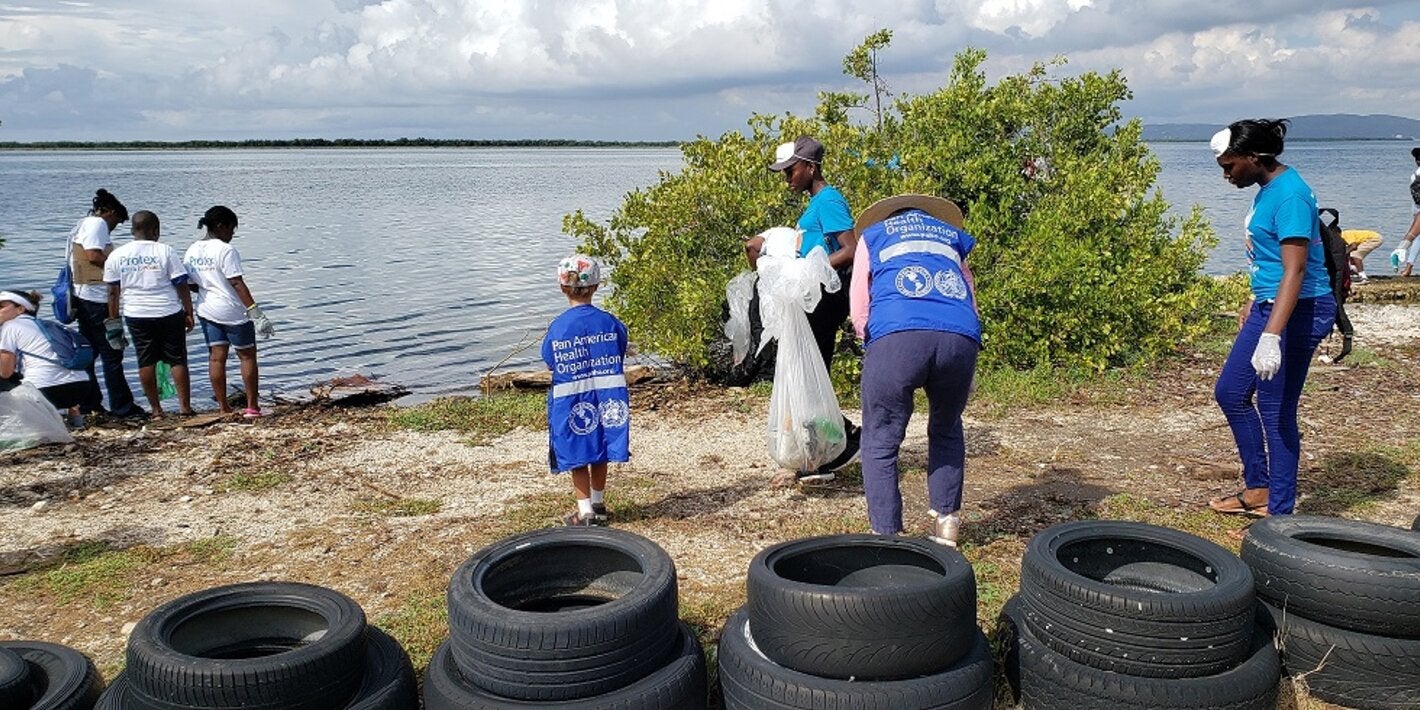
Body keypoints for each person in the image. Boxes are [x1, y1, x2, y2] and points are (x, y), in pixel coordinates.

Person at [1206, 119, 1336, 520]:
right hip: (1270, 305)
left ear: (1252, 157)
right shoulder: (1268, 189)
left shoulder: (1290, 195)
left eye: (1229, 166)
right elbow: (1268, 259)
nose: (1226, 175)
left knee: (1277, 409)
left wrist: (1271, 335)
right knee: (1230, 392)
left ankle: (1280, 516)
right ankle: (1261, 487)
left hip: (1300, 311)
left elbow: (1295, 271)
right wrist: (1254, 297)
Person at [849, 195, 980, 547]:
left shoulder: (874, 235)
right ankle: (947, 525)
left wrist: (870, 338)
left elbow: (860, 298)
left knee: (880, 436)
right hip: (959, 335)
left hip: (897, 333)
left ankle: (888, 535)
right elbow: (969, 292)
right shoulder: (950, 235)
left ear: (890, 215)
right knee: (947, 427)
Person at [743, 135, 861, 482]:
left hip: (825, 299)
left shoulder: (829, 200)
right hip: (814, 296)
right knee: (809, 373)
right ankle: (827, 448)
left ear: (810, 167)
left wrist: (808, 271)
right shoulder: (815, 204)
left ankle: (838, 446)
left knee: (811, 373)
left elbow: (851, 249)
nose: (787, 179)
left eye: (791, 171)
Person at [542, 254, 630, 527]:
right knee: (601, 445)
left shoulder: (559, 326)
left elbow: (549, 359)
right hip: (607, 394)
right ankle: (599, 502)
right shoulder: (609, 321)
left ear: (561, 287)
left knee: (578, 448)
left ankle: (585, 512)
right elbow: (621, 346)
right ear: (596, 285)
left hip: (572, 397)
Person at [184, 206, 275, 417]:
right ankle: (252, 407)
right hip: (233, 312)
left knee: (216, 358)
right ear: (220, 226)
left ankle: (224, 408)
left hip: (206, 310)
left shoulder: (192, 250)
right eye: (232, 229)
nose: (232, 234)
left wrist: (209, 288)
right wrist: (255, 312)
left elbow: (190, 284)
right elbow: (236, 282)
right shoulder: (225, 250)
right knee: (247, 356)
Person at [105, 211, 195, 416]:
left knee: (145, 360)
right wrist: (189, 310)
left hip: (136, 313)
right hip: (168, 310)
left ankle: (156, 409)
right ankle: (185, 407)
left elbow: (112, 291)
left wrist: (113, 321)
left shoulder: (117, 255)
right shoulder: (165, 251)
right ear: (156, 231)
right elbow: (180, 283)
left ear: (132, 230)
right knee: (177, 359)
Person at [70, 188, 144, 418]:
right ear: (110, 213)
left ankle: (89, 403)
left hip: (85, 297)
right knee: (112, 353)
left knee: (90, 353)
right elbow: (93, 256)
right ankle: (122, 407)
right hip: (95, 299)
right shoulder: (97, 225)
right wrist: (120, 267)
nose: (114, 227)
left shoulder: (83, 224)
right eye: (117, 222)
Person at [0, 290, 93, 423]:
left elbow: (5, 373)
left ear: (21, 309)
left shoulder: (11, 326)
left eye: (1, 306)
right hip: (81, 388)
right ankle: (74, 415)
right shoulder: (50, 325)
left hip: (46, 392)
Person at [1395, 147, 1420, 276]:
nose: (1417, 161)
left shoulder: (1415, 175)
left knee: (1417, 239)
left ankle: (1408, 268)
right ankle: (1408, 267)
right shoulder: (1415, 175)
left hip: (1417, 209)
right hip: (1417, 211)